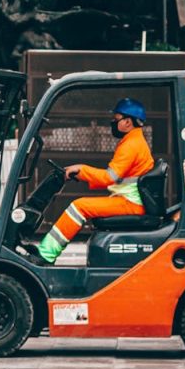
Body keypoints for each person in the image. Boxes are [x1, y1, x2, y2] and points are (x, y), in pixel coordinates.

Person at [34, 98, 154, 264]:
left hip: (131, 204)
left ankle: (45, 256)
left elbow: (109, 178)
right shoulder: (133, 142)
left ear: (127, 122)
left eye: (116, 119)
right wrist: (81, 172)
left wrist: (81, 169)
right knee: (81, 205)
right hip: (130, 201)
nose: (112, 122)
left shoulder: (131, 145)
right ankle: (45, 252)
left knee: (79, 206)